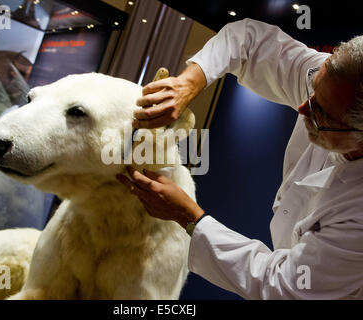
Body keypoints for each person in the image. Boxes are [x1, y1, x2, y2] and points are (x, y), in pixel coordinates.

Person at [116, 18, 363, 299]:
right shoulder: (331, 81)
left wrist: (188, 217)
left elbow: (286, 287)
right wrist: (188, 83)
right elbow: (247, 39)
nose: (302, 107)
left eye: (321, 114)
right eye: (313, 90)